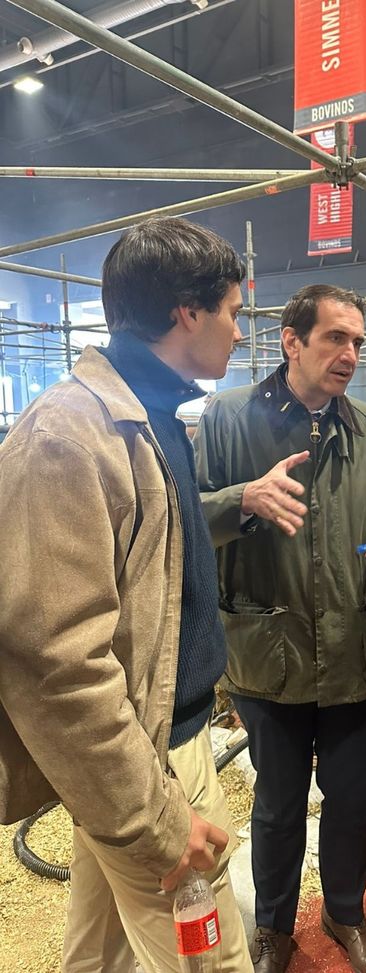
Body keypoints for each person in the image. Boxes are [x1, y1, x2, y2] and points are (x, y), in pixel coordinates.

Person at [0, 217, 254, 973]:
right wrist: (157, 819)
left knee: (101, 954)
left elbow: (153, 560)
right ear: (187, 312)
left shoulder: (148, 416)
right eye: (234, 312)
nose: (240, 333)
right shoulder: (68, 438)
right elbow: (56, 665)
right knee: (213, 960)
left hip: (156, 735)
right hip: (143, 756)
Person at [194, 283, 366, 973]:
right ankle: (274, 928)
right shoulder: (227, 420)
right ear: (292, 341)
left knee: (352, 795)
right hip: (270, 651)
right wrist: (242, 499)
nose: (350, 353)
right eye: (335, 339)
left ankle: (345, 913)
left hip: (355, 647)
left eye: (358, 341)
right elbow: (186, 518)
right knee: (280, 803)